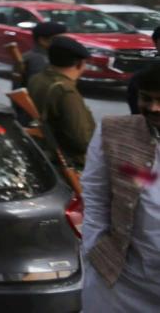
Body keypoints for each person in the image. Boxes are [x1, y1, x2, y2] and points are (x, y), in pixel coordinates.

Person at [81, 64, 160, 312]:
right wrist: (93, 247)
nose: (154, 108)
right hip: (121, 276)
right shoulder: (114, 131)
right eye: (146, 98)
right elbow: (95, 194)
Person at [28, 35, 96, 168]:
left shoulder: (37, 78)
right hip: (67, 163)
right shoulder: (65, 91)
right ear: (80, 64)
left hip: (45, 153)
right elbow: (81, 140)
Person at [11, 20, 66, 90]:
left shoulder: (30, 56)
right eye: (60, 39)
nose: (64, 43)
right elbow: (41, 88)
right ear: (43, 40)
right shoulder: (40, 60)